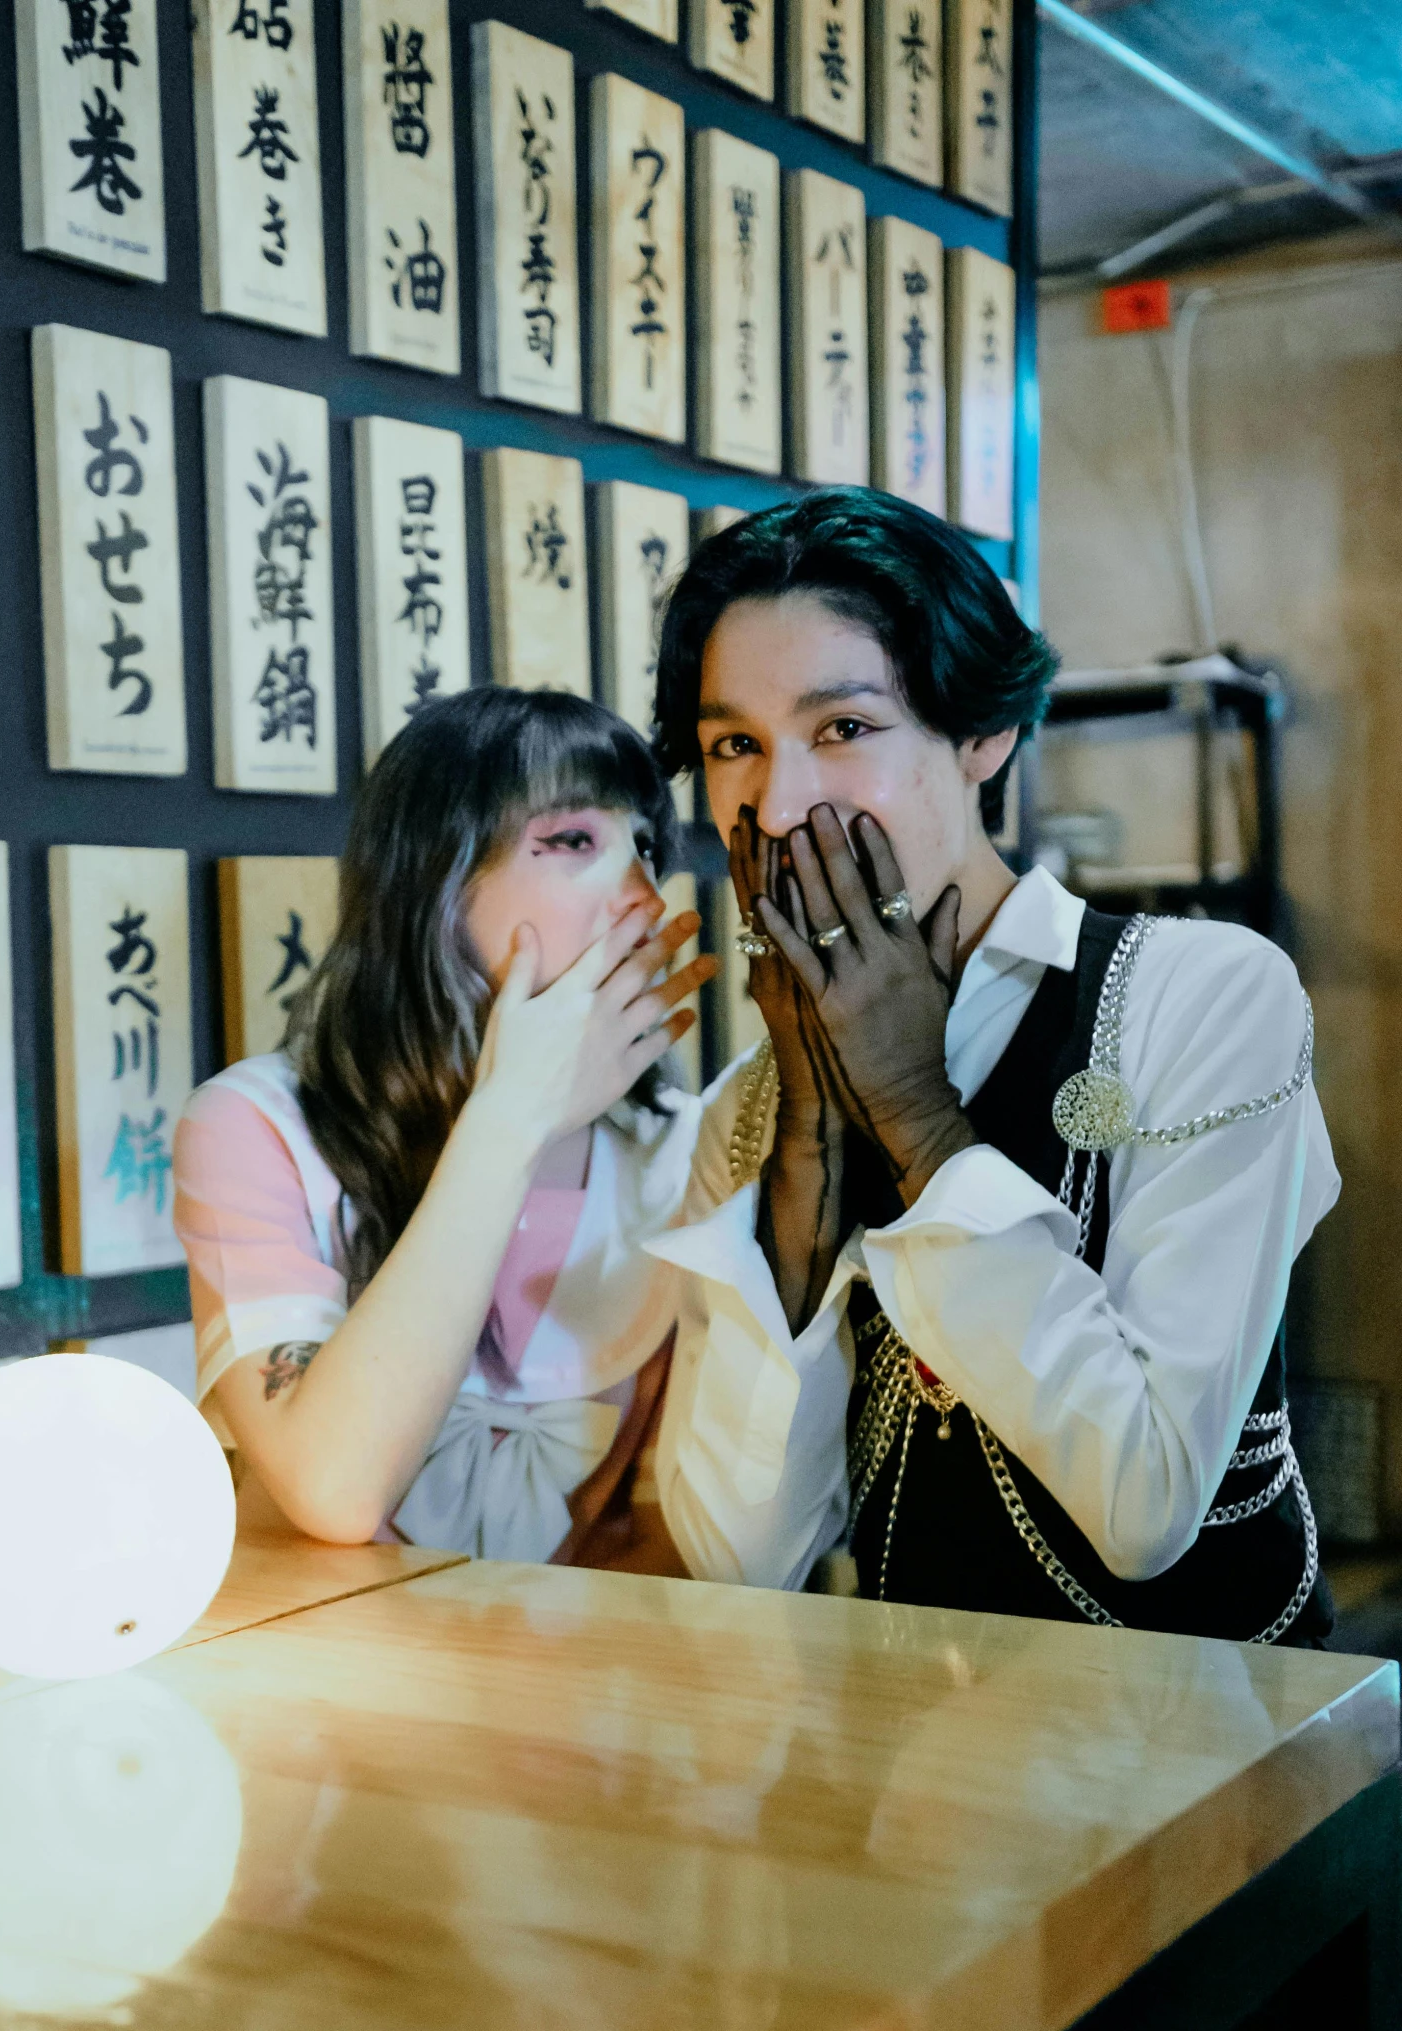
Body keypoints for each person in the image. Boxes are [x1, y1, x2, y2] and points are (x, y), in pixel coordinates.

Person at [648, 488, 1338, 1647]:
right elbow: (734, 1559)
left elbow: (1147, 1502)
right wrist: (808, 1145)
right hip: (915, 1778)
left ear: (982, 735)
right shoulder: (749, 1109)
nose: (779, 803)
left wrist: (916, 1116)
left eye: (843, 729)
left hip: (1220, 1746)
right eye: (734, 747)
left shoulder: (1201, 996)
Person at [173, 686, 714, 1570]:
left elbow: (717, 1554)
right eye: (574, 840)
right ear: (437, 873)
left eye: (646, 847)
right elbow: (335, 1489)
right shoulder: (257, 1128)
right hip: (323, 1678)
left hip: (614, 1686)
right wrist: (509, 1120)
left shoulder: (685, 1152)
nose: (644, 899)